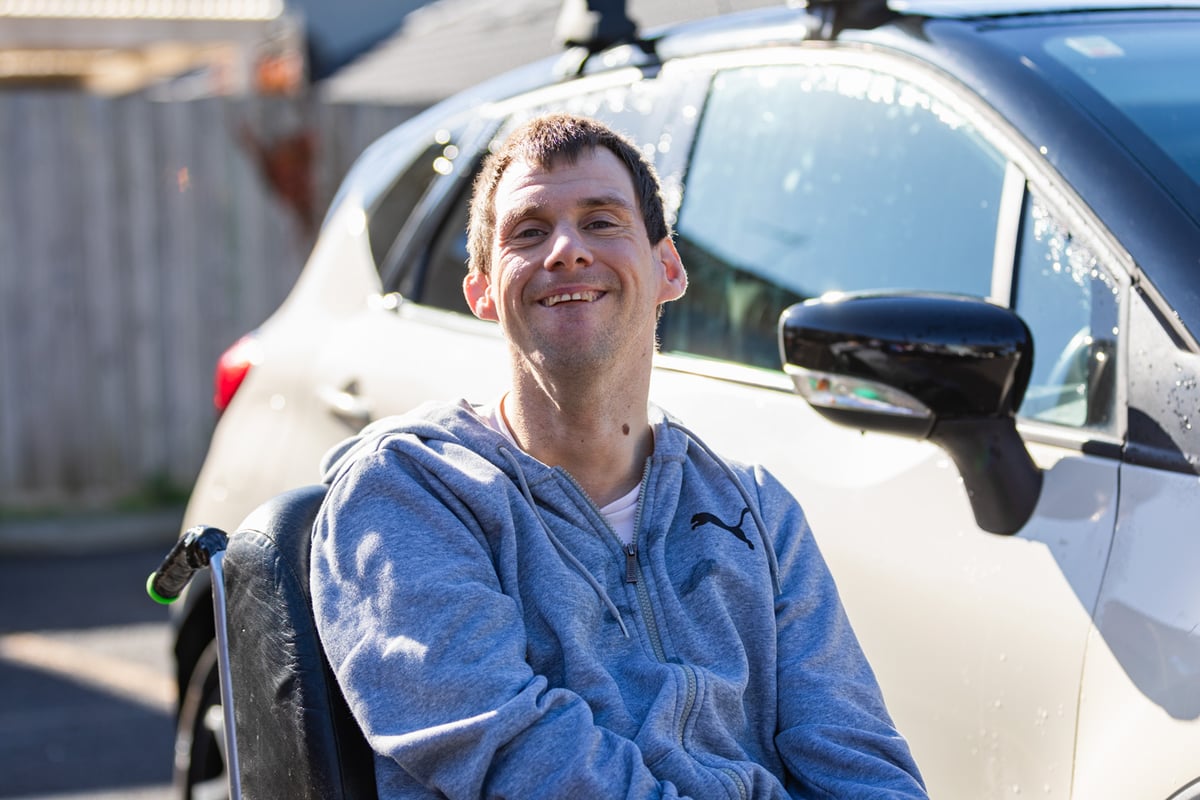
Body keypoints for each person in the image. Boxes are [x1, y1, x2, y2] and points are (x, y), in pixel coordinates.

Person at [310, 113, 928, 799]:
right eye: (529, 231)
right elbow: (517, 759)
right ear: (481, 291)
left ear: (668, 268)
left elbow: (859, 759)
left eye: (602, 221)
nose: (567, 250)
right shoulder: (409, 491)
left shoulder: (756, 511)